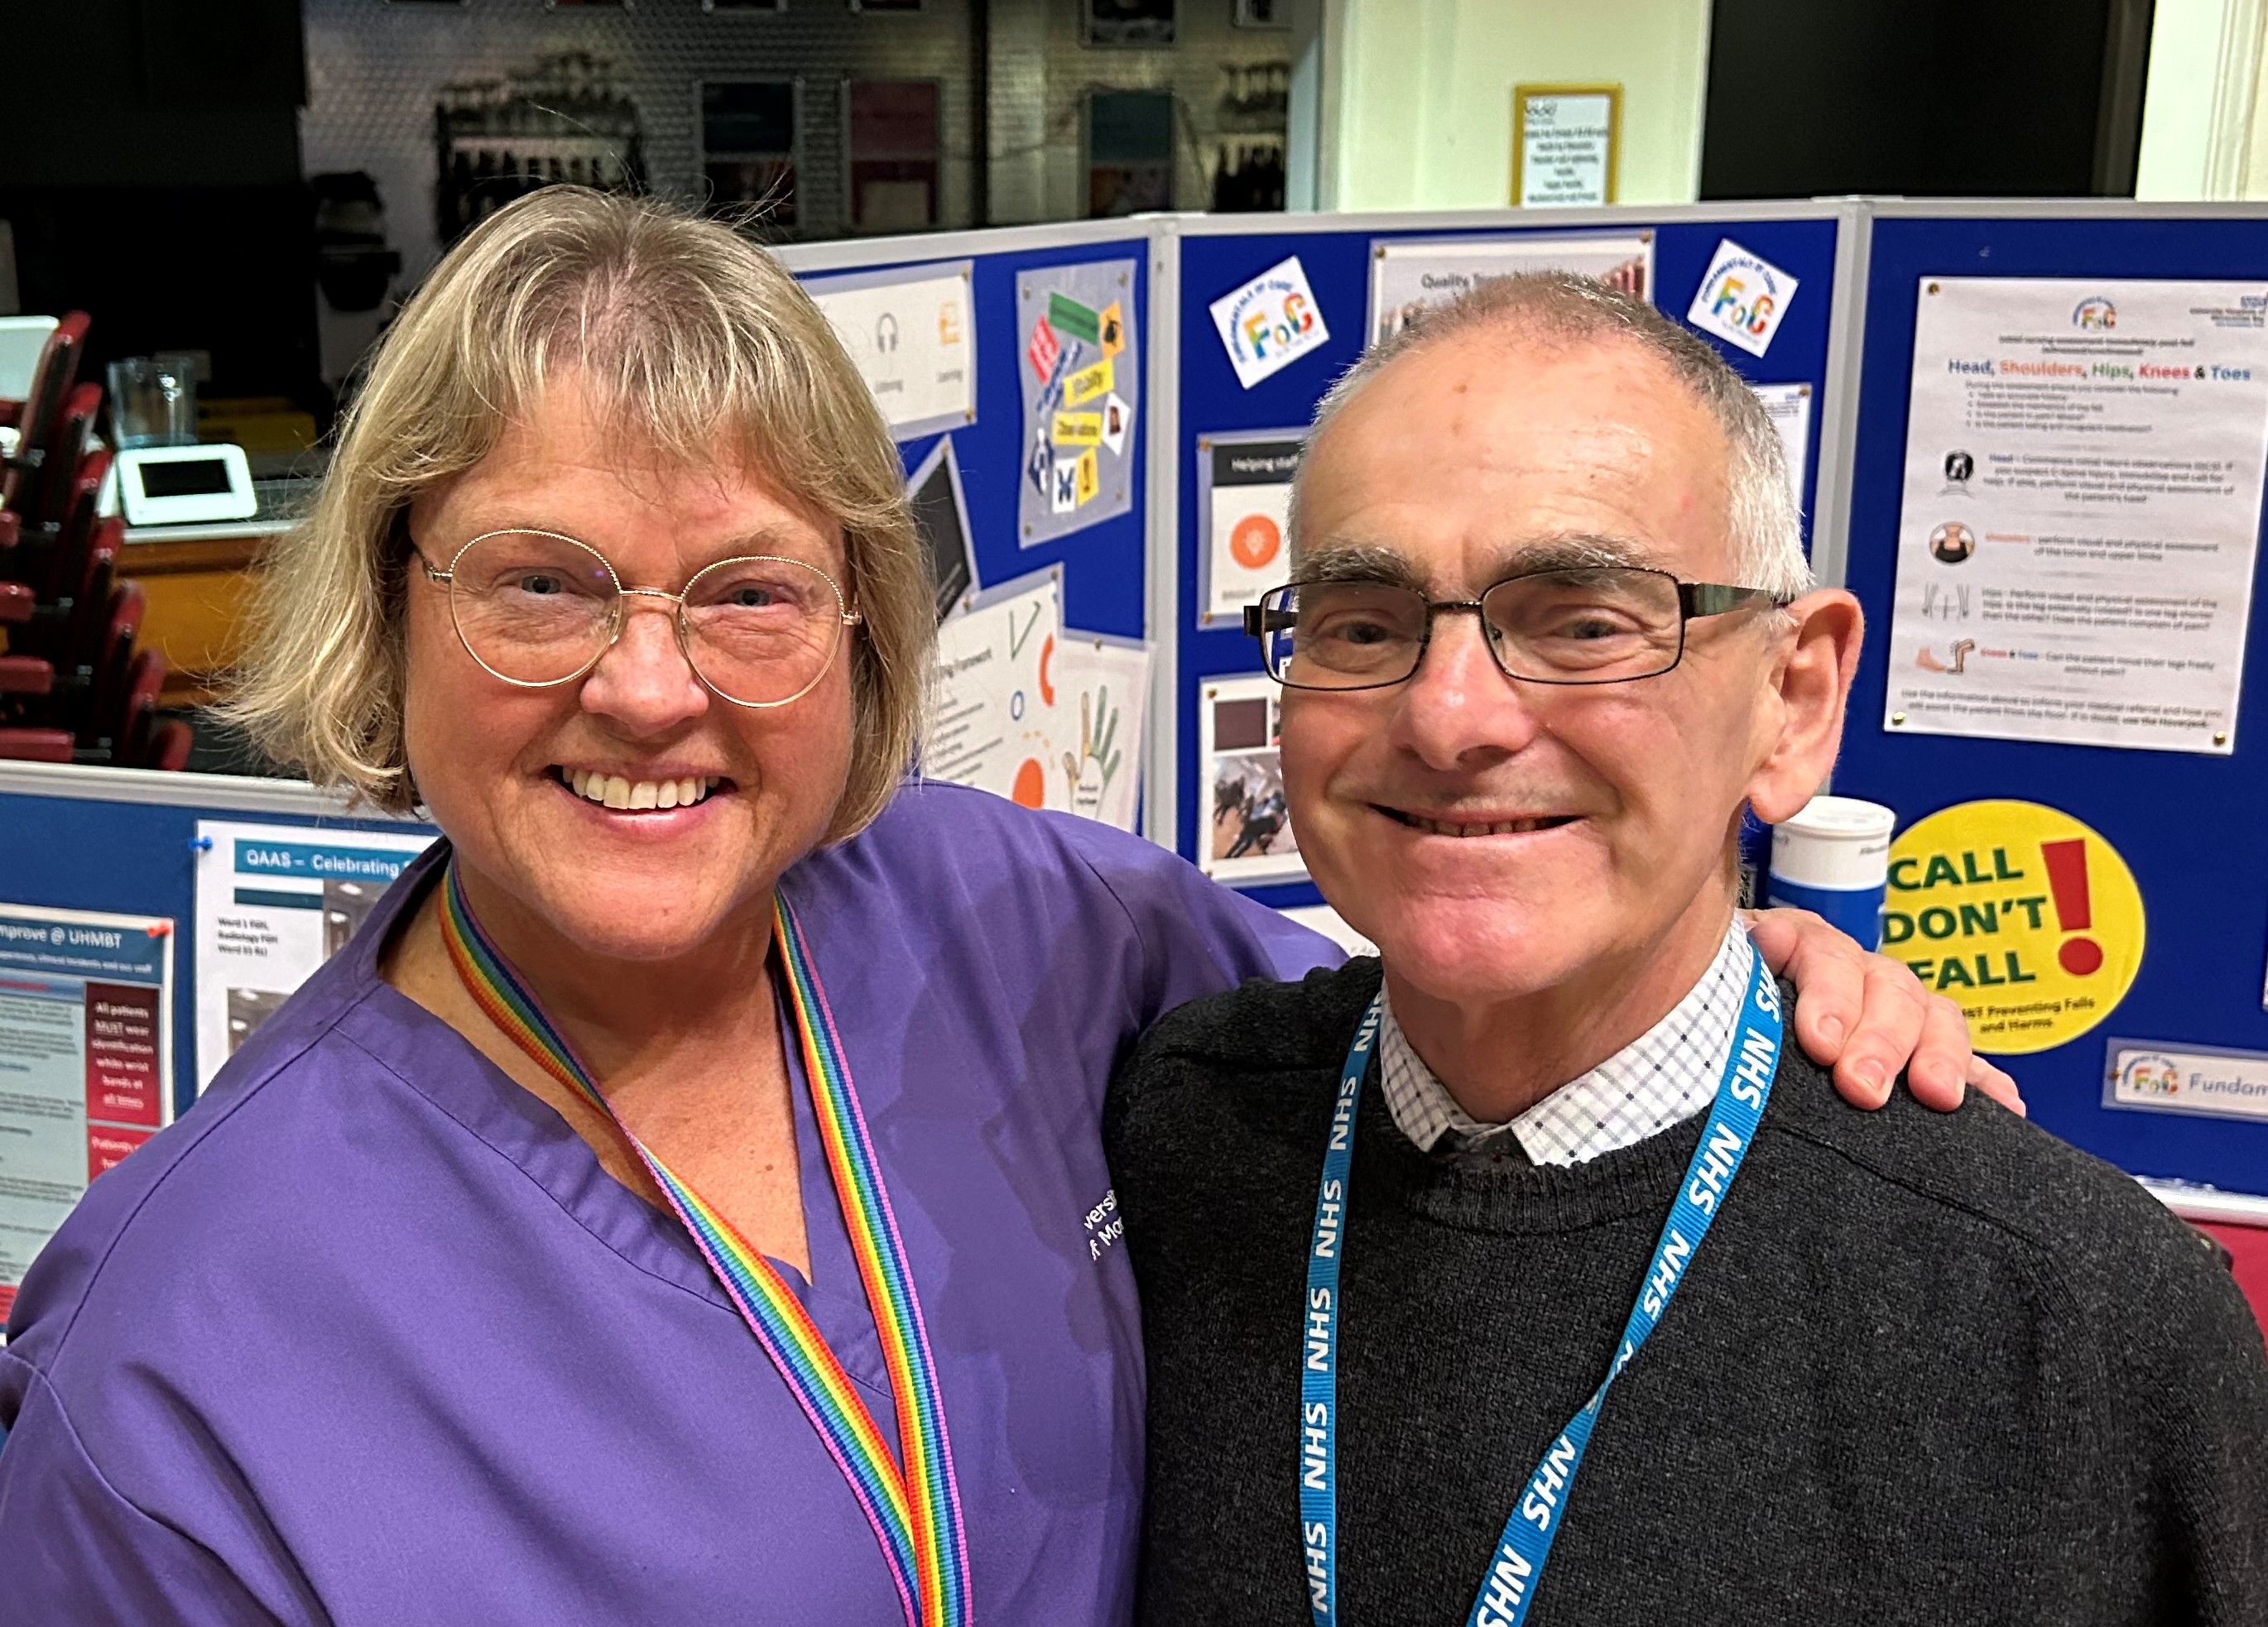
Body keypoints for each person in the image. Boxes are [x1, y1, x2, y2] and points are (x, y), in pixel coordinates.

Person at [1, 194, 1998, 1626]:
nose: (644, 682)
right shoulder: (178, 1359)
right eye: (540, 579)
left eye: (750, 592)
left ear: (861, 634)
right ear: (390, 601)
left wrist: (1737, 959)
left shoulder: (1021, 923)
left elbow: (1452, 1022)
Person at [1108, 273, 2268, 1626]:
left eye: (1586, 623)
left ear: (1793, 698)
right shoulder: (1173, 1136)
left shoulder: (2076, 1322)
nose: (1450, 717)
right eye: (1363, 624)